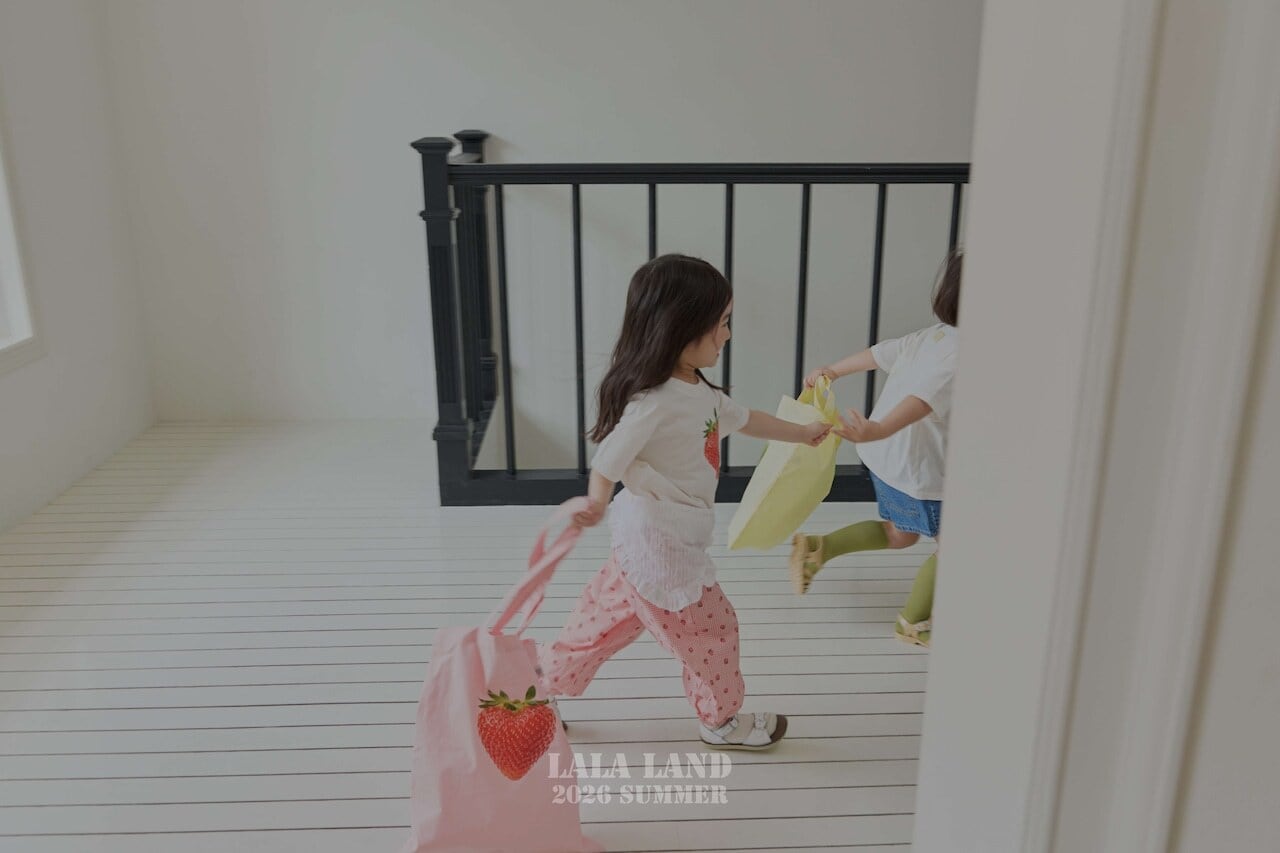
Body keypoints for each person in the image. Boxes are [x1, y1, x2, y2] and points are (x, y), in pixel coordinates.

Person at [539, 254, 830, 750]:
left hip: (643, 542)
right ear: (682, 327)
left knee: (600, 626)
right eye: (721, 323)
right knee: (713, 633)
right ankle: (721, 720)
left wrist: (803, 433)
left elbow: (748, 419)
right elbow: (609, 460)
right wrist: (596, 501)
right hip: (664, 547)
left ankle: (539, 689)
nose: (727, 335)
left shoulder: (698, 392)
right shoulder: (654, 402)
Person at [790, 249, 962, 648]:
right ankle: (913, 622)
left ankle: (819, 548)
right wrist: (879, 429)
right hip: (917, 470)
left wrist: (833, 370)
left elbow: (880, 353)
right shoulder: (963, 353)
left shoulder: (932, 336)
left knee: (901, 534)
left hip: (888, 461)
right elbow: (923, 399)